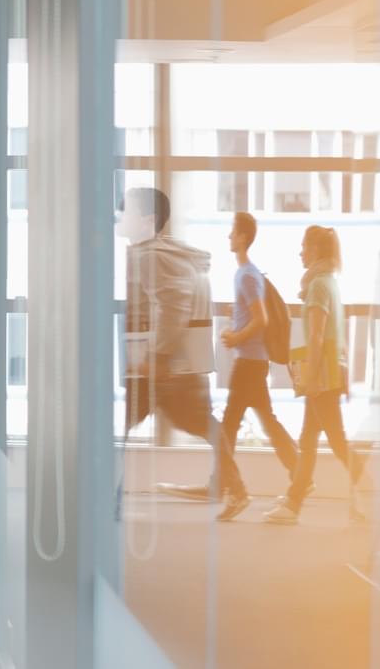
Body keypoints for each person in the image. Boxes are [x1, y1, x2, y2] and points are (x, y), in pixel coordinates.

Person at [117, 187, 249, 522]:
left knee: (121, 426)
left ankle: (105, 498)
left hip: (160, 365)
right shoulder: (164, 253)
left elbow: (173, 305)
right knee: (197, 424)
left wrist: (158, 357)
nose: (120, 216)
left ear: (148, 221)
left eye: (126, 211)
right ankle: (236, 489)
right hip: (174, 363)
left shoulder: (151, 256)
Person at [264, 226, 363, 525]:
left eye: (304, 246)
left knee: (336, 441)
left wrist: (310, 379)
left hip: (321, 376)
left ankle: (371, 490)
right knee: (309, 439)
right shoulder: (329, 282)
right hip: (330, 372)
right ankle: (294, 502)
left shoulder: (319, 285)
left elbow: (318, 336)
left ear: (317, 250)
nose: (300, 252)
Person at [219, 212, 299, 488]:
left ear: (242, 237)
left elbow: (262, 319)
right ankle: (299, 472)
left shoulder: (248, 276)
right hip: (254, 361)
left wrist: (236, 337)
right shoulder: (247, 274)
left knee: (229, 424)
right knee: (266, 420)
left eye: (232, 232)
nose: (229, 236)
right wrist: (237, 316)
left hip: (249, 363)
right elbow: (253, 312)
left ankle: (225, 485)